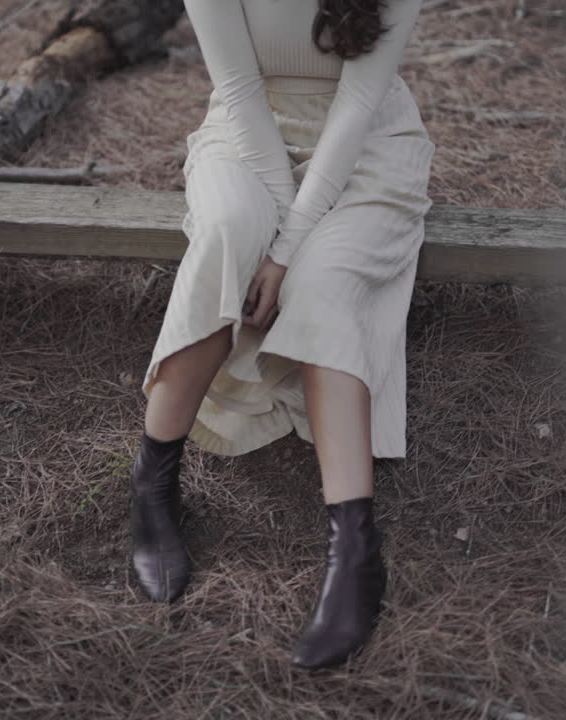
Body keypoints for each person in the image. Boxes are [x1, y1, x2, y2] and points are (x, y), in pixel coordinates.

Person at [129, 0, 432, 670]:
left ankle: (355, 548)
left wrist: (290, 245)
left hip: (367, 144)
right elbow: (237, 89)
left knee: (323, 285)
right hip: (247, 129)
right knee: (228, 232)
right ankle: (152, 484)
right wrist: (272, 229)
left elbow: (359, 99)